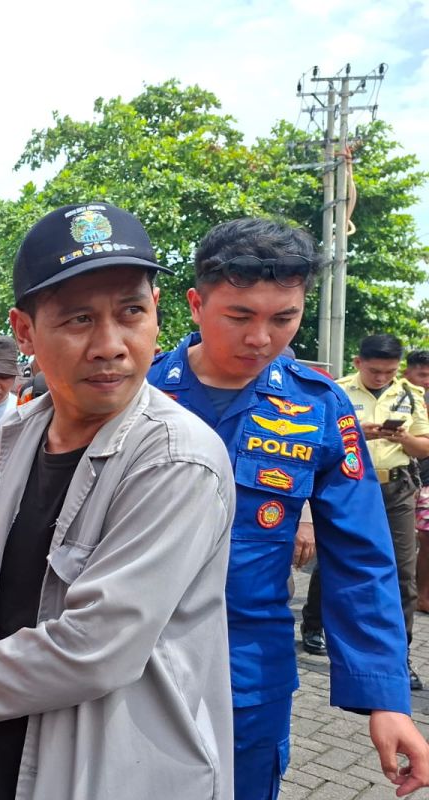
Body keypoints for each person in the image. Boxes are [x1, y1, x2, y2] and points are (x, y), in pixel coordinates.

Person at [0, 202, 236, 800]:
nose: (110, 345)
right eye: (78, 319)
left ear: (157, 312)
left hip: (107, 765)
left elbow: (95, 647)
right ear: (25, 332)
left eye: (131, 311)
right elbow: (35, 553)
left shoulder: (177, 459)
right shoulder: (19, 433)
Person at [147, 217, 429, 799]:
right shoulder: (139, 394)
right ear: (196, 304)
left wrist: (385, 697)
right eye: (240, 317)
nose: (261, 339)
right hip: (133, 662)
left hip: (249, 670)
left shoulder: (318, 407)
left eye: (284, 318)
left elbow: (361, 556)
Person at [318, 335, 429, 685]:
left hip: (396, 488)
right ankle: (313, 624)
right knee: (333, 558)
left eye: (390, 372)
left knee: (402, 573)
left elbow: (424, 447)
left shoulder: (411, 395)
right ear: (357, 362)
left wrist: (404, 440)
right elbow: (321, 440)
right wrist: (357, 434)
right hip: (349, 485)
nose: (382, 378)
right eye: (375, 371)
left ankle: (401, 656)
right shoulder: (337, 391)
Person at [404, 350, 429, 612]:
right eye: (422, 374)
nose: (426, 380)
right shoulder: (401, 397)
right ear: (407, 371)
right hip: (408, 479)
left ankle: (422, 595)